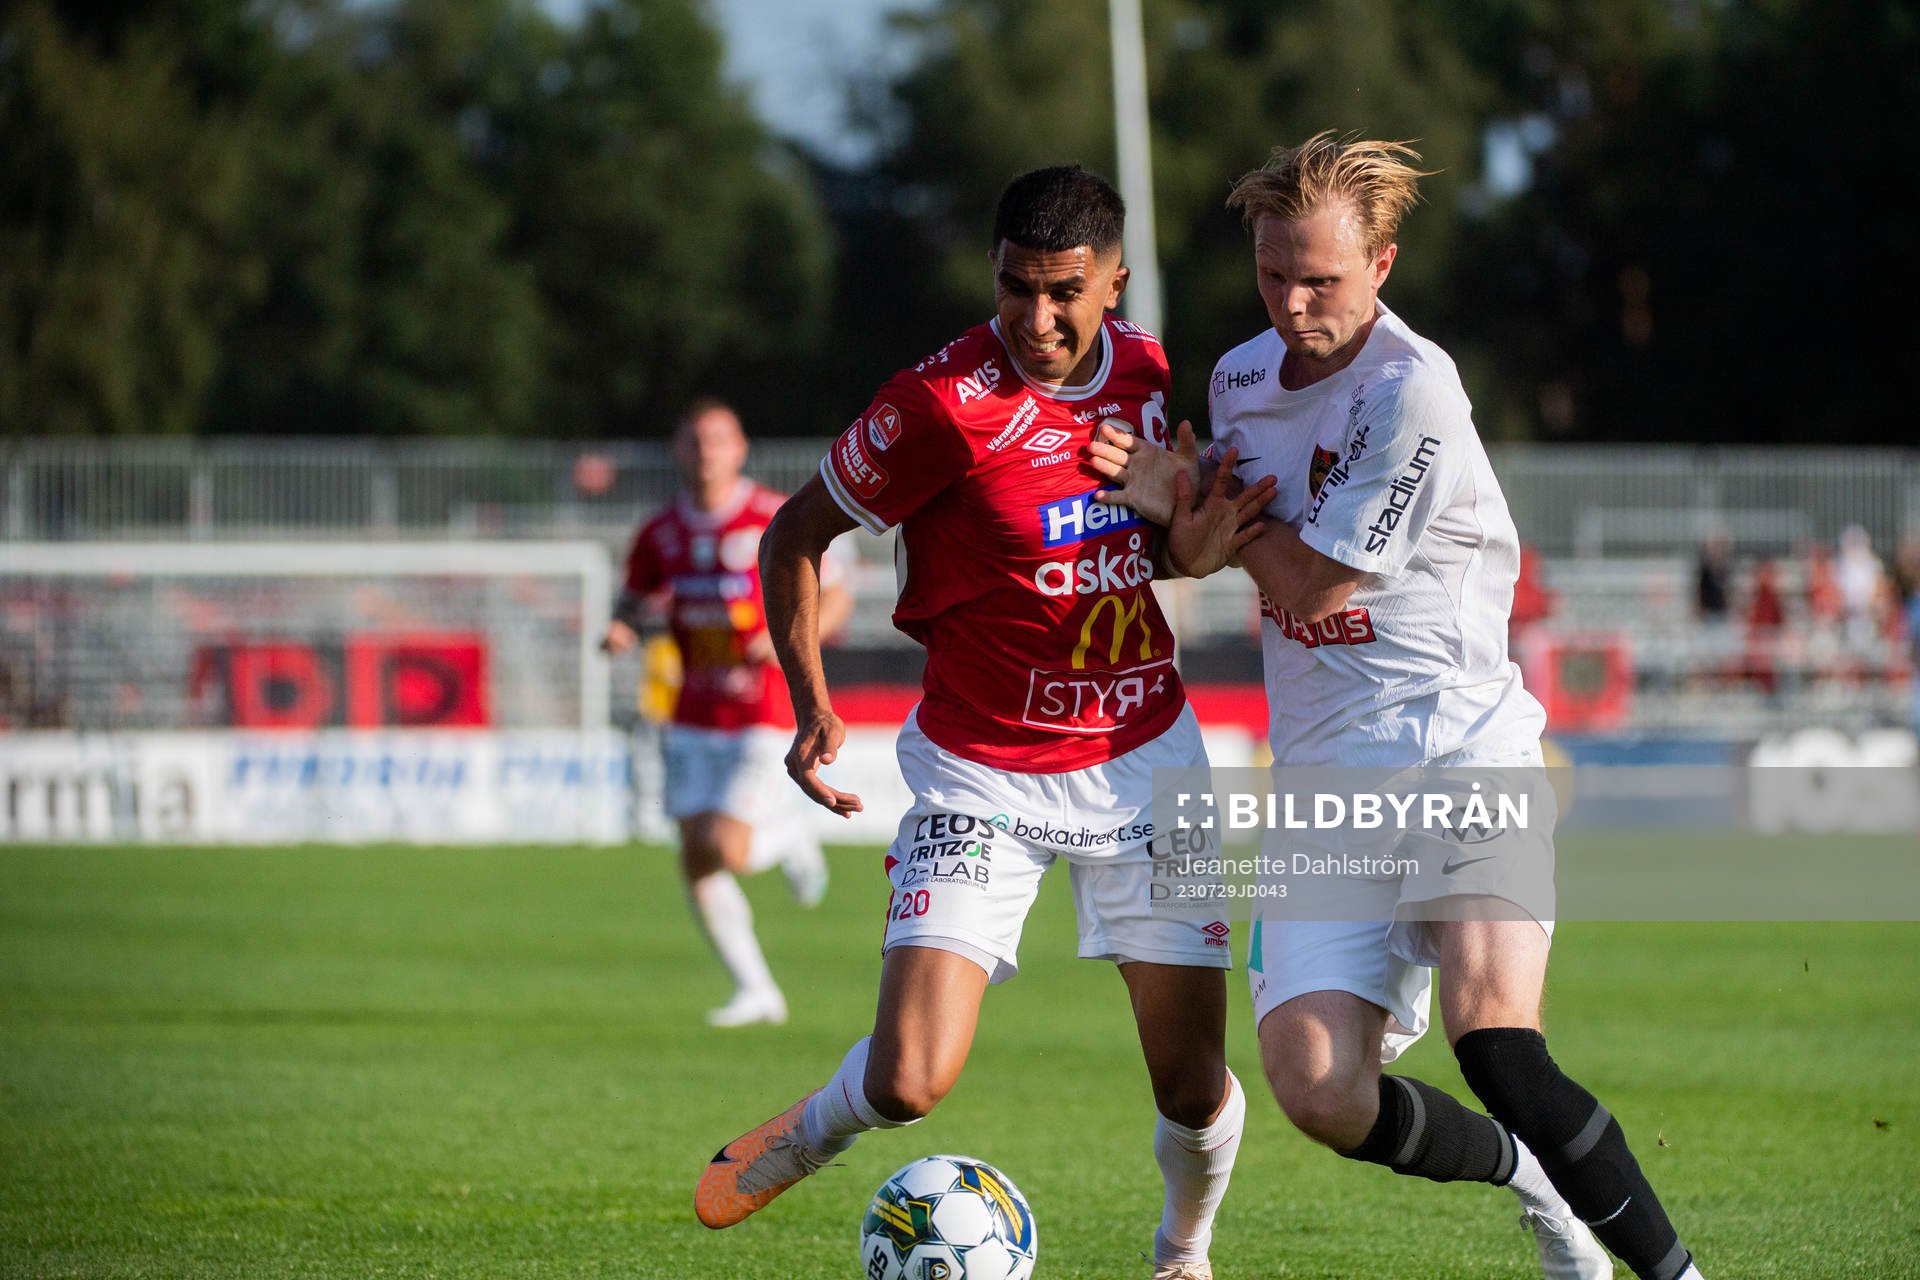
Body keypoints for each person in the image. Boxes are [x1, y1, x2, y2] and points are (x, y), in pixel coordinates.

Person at [1089, 134, 1706, 1280]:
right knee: (1319, 1090)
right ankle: (1535, 1178)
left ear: (1382, 260)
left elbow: (1318, 580)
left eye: (1320, 276)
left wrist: (1204, 510)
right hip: (1326, 774)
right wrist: (1179, 512)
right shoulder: (1235, 378)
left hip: (1463, 742)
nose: (1293, 301)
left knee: (1499, 1043)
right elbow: (1204, 549)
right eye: (1274, 273)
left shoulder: (1410, 385)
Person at [692, 165, 1274, 1280]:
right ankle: (808, 1130)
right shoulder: (938, 405)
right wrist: (813, 705)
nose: (1038, 319)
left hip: (1152, 753)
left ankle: (1182, 1254)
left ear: (1115, 281)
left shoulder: (1149, 370)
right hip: (982, 770)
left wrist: (1187, 543)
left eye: (1064, 292)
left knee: (1195, 1082)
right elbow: (791, 536)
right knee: (911, 1078)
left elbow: (1140, 547)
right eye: (1016, 289)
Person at [603, 398, 852, 1028]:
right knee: (695, 858)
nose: (705, 451)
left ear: (740, 449)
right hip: (692, 713)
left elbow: (841, 589)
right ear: (676, 450)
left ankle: (793, 839)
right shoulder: (661, 531)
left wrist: (797, 637)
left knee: (727, 847)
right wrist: (621, 629)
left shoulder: (773, 515)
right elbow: (634, 596)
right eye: (693, 440)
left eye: (717, 439)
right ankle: (757, 990)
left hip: (761, 712)